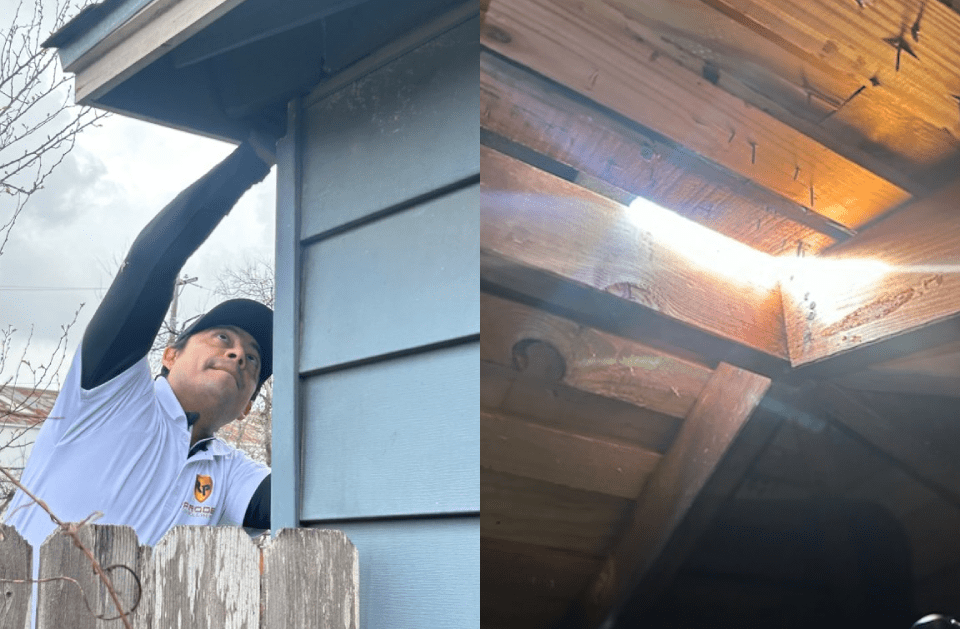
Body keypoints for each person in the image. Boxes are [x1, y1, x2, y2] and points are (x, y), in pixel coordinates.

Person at [5, 133, 276, 563]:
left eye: (254, 358)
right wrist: (250, 161)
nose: (239, 355)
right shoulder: (109, 396)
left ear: (246, 408)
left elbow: (311, 498)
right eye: (223, 338)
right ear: (170, 354)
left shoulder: (227, 471)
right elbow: (151, 263)